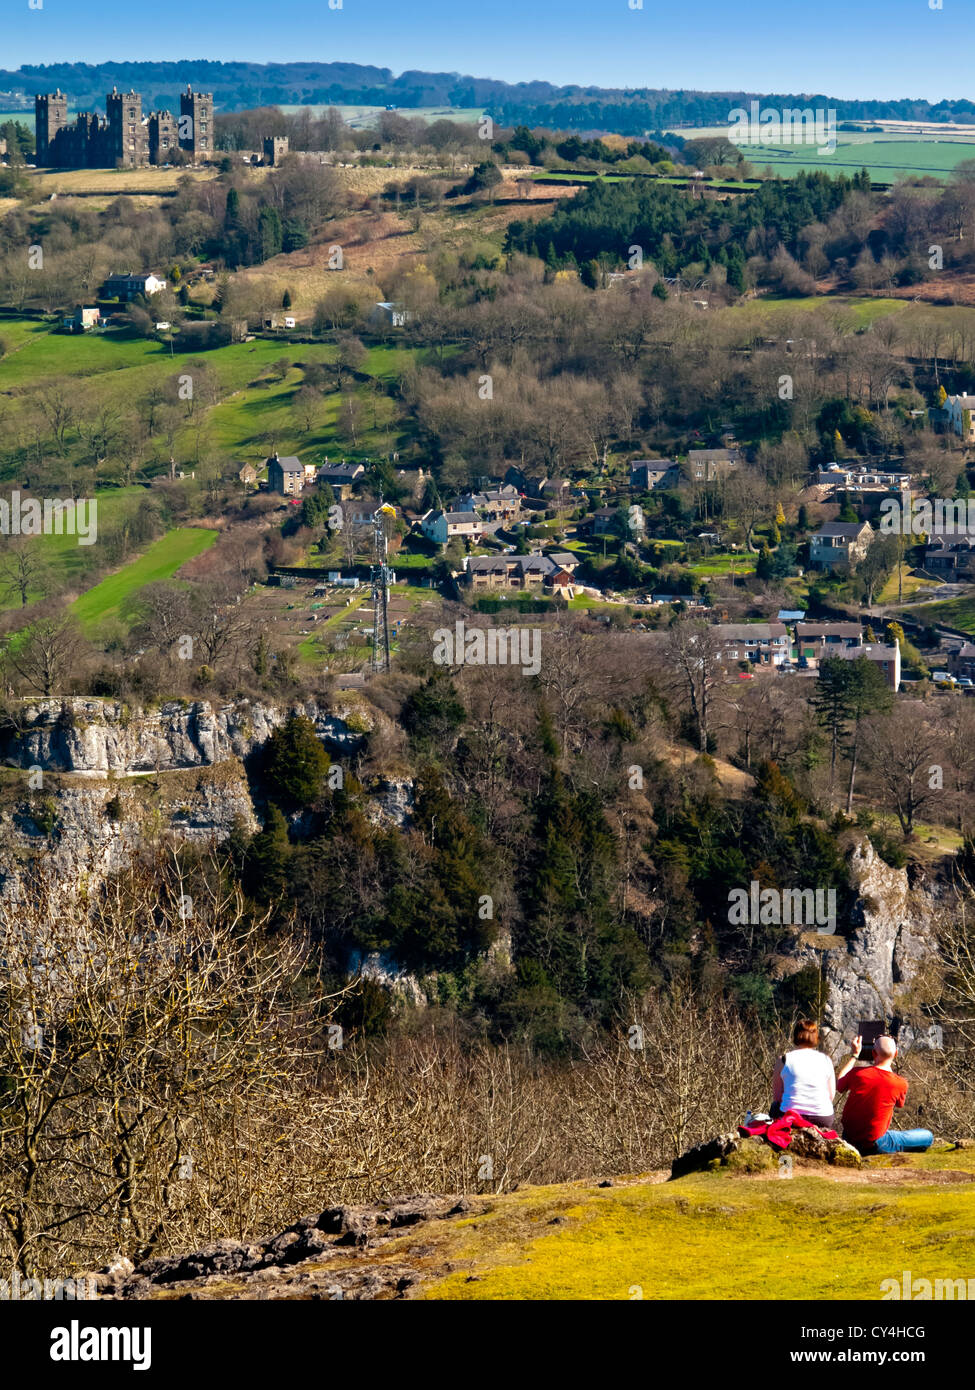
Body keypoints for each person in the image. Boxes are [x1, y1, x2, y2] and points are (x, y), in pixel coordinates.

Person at [835, 1034, 933, 1156]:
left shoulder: (857, 1074)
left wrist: (855, 1055)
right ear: (896, 1054)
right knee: (927, 1136)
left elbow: (839, 1084)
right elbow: (899, 1104)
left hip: (848, 1139)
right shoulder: (900, 1083)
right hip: (876, 1144)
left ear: (873, 1053)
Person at [771, 1019, 837, 1127]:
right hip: (822, 1117)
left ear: (795, 1036)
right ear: (815, 1037)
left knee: (774, 1107)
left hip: (790, 1116)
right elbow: (831, 1096)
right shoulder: (826, 1060)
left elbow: (777, 1097)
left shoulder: (783, 1060)